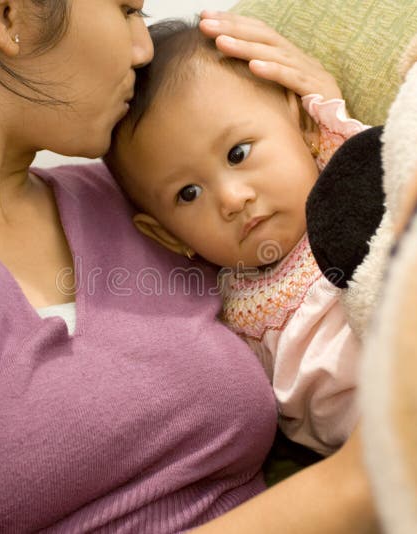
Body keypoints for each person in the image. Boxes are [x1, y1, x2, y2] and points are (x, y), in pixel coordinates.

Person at [0, 0, 377, 531]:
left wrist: (328, 141)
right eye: (125, 8)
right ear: (9, 14)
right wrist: (360, 480)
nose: (143, 47)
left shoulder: (147, 198)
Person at [105, 17, 368, 456]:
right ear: (168, 236)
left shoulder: (342, 173)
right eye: (188, 194)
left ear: (298, 120)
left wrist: (324, 104)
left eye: (238, 153)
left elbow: (389, 165)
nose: (231, 198)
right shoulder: (225, 311)